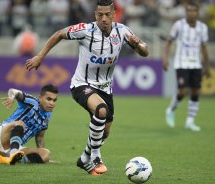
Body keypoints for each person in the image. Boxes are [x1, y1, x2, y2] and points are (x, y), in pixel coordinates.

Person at [26, 0, 148, 175]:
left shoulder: (122, 31)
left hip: (106, 88)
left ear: (114, 14)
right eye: (100, 15)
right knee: (101, 110)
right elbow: (59, 34)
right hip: (82, 84)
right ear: (95, 15)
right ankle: (96, 157)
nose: (104, 19)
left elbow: (145, 52)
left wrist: (138, 44)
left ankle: (84, 158)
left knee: (104, 133)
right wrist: (40, 56)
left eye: (107, 14)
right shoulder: (85, 30)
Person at [163, 1, 210, 132]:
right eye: (189, 11)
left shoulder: (203, 28)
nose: (191, 13)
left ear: (197, 12)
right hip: (181, 62)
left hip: (196, 63)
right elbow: (168, 42)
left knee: (195, 91)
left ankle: (190, 121)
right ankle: (170, 109)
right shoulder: (179, 25)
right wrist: (165, 59)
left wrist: (207, 66)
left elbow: (204, 48)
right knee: (183, 91)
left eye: (194, 11)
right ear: (186, 12)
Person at [0, 84, 59, 165]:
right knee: (20, 123)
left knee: (46, 154)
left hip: (14, 146)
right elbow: (13, 91)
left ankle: (6, 158)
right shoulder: (32, 102)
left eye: (54, 100)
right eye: (49, 99)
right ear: (40, 98)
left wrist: (42, 157)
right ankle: (13, 155)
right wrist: (12, 97)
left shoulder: (48, 115)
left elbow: (40, 136)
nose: (52, 103)